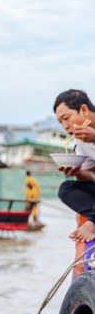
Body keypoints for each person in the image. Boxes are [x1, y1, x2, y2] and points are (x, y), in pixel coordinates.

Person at [54, 89, 95, 241]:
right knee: (66, 188)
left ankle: (93, 222)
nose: (65, 126)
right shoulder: (80, 143)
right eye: (61, 122)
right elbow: (92, 176)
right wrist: (78, 172)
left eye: (66, 118)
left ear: (83, 110)